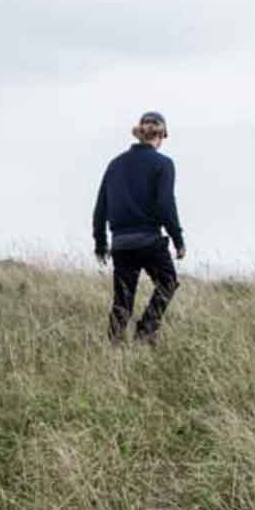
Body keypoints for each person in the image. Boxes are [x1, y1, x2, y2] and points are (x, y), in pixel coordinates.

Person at [92, 110, 187, 343]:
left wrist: (101, 244)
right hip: (149, 241)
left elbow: (100, 206)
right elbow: (165, 204)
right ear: (162, 134)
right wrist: (178, 239)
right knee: (167, 282)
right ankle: (145, 331)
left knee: (122, 300)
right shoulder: (163, 164)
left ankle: (113, 349)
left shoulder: (115, 164)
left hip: (121, 244)